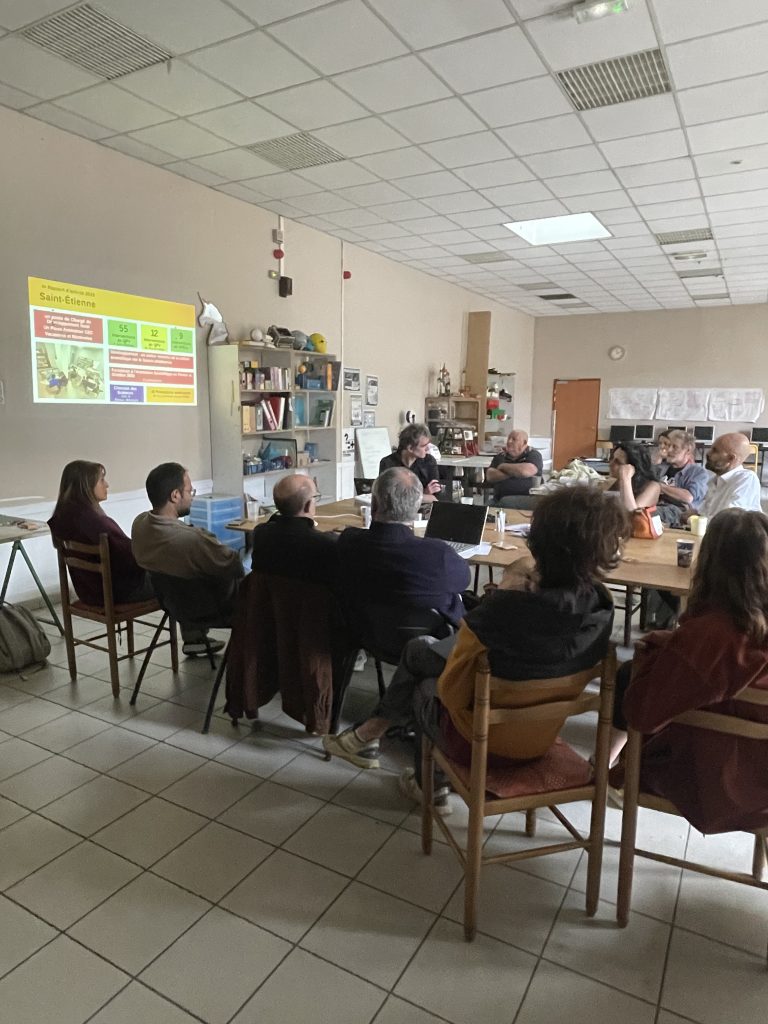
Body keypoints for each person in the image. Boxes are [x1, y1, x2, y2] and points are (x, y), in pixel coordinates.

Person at [324, 487, 630, 815]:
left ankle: (427, 784)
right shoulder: (601, 608)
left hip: (478, 741)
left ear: (539, 540)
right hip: (540, 736)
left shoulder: (503, 611)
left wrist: (506, 591)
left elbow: (451, 693)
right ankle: (369, 737)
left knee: (425, 683)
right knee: (421, 649)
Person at [609, 509, 768, 833]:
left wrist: (662, 655)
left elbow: (640, 714)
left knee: (632, 682)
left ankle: (602, 765)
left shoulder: (710, 637)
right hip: (761, 776)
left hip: (721, 785)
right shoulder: (744, 633)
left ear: (709, 563)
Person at [337, 467, 470, 634]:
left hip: (367, 636)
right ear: (416, 507)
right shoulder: (438, 555)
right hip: (431, 641)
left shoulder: (349, 542)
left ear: (374, 504)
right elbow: (464, 581)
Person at [131, 462, 243, 656]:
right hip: (214, 608)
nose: (192, 496)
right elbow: (235, 565)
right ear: (175, 495)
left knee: (186, 573)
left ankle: (193, 637)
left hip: (172, 605)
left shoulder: (139, 524)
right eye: (190, 491)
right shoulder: (193, 540)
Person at [48, 460, 153, 606]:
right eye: (102, 480)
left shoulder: (61, 518)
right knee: (175, 577)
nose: (107, 485)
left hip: (88, 593)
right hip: (118, 593)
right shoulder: (96, 523)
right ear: (86, 486)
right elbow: (133, 558)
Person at [250, 475, 339, 587]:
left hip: (268, 597)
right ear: (308, 505)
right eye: (315, 497)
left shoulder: (260, 534)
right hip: (311, 598)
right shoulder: (326, 543)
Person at [695, 432, 762, 519]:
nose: (708, 453)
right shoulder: (714, 481)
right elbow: (703, 514)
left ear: (731, 458)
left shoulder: (746, 479)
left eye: (715, 450)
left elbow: (729, 520)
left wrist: (693, 519)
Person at [656, 429, 709, 526]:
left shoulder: (698, 473)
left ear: (688, 450)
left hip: (680, 513)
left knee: (646, 514)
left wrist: (659, 486)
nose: (669, 450)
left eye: (675, 447)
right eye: (668, 446)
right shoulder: (661, 467)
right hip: (656, 506)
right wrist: (657, 459)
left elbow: (688, 498)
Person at [379, 424, 442, 504]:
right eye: (423, 446)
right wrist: (423, 494)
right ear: (410, 448)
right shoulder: (388, 463)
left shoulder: (429, 461)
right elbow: (387, 497)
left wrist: (406, 497)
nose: (428, 449)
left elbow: (435, 498)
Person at [486, 430, 543, 502]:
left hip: (527, 498)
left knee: (506, 501)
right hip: (499, 499)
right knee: (483, 507)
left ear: (524, 443)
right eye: (508, 438)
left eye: (514, 439)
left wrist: (502, 466)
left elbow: (526, 471)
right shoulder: (501, 455)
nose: (509, 441)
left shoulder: (533, 454)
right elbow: (490, 476)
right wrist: (516, 472)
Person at [608, 442, 660, 511]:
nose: (610, 464)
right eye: (612, 459)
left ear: (632, 468)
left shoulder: (653, 486)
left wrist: (626, 478)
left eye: (618, 462)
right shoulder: (615, 482)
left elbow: (632, 513)